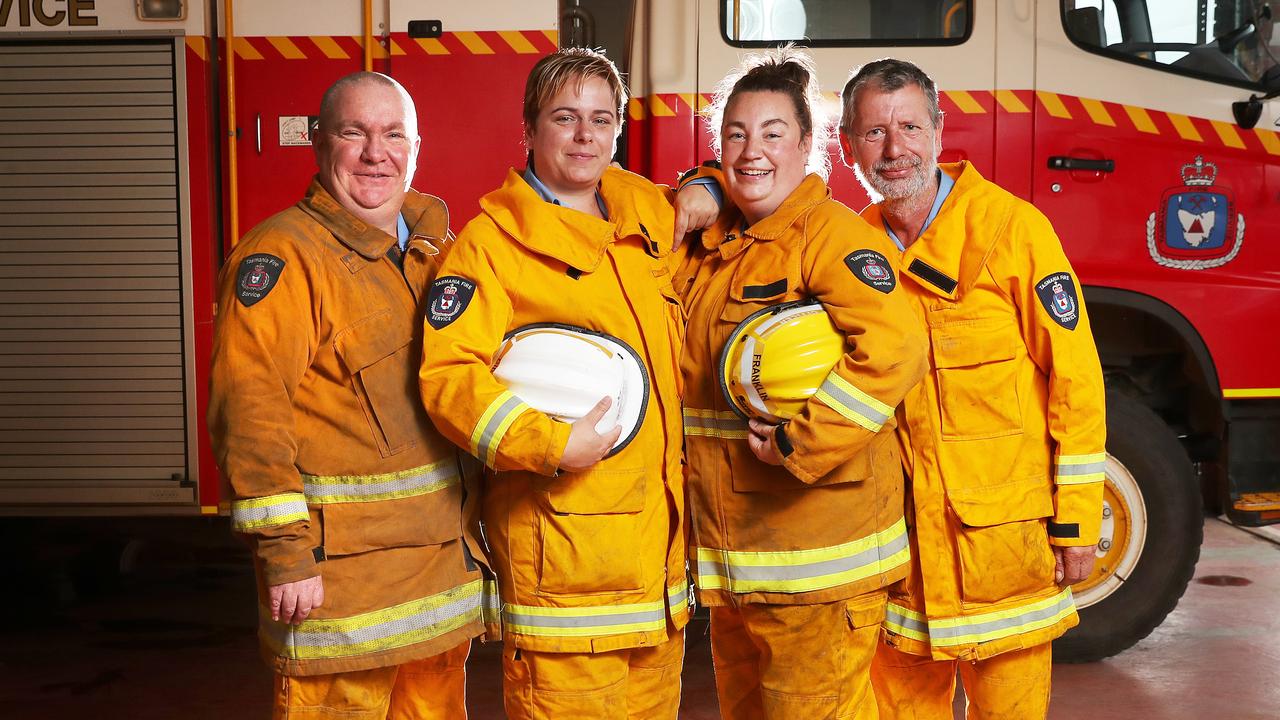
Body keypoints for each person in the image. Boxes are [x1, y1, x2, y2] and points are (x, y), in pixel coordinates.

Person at [417, 48, 713, 719]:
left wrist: (711, 187)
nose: (586, 136)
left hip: (656, 579)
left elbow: (722, 188)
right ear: (528, 130)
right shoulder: (490, 247)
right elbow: (448, 377)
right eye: (565, 118)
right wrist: (549, 443)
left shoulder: (640, 207)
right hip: (566, 577)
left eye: (601, 120)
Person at [208, 72, 485, 719]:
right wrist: (285, 555)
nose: (374, 152)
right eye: (353, 133)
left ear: (417, 146)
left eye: (392, 134)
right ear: (316, 142)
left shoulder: (437, 254)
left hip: (437, 588)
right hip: (340, 599)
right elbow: (250, 415)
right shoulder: (283, 257)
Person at [838, 58, 1107, 719]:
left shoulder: (1013, 231)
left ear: (937, 128)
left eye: (908, 127)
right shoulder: (847, 250)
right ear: (847, 146)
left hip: (1003, 555)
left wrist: (1076, 526)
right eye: (873, 133)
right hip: (900, 563)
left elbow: (1076, 380)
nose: (894, 150)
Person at [673, 48, 927, 719]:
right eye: (735, 135)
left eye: (773, 134)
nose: (752, 151)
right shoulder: (717, 247)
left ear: (809, 145)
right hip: (739, 568)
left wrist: (799, 443)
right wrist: (702, 183)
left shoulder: (830, 237)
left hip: (819, 566)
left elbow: (896, 346)